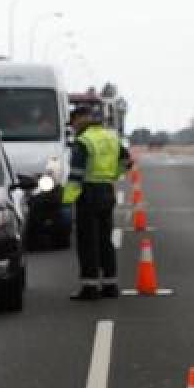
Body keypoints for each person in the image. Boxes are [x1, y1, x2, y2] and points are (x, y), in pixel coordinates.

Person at [64, 105, 130, 299]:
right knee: (104, 240)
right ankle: (110, 285)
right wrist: (113, 175)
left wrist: (68, 200)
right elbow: (127, 161)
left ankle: (89, 287)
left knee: (87, 242)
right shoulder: (110, 137)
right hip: (107, 192)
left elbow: (76, 174)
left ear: (78, 121)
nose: (73, 128)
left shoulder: (84, 141)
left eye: (73, 123)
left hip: (88, 193)